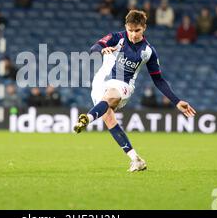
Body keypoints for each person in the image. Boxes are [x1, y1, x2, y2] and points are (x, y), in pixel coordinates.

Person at [73, 10, 196, 172]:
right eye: (130, 30)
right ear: (126, 27)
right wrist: (102, 50)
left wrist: (177, 101)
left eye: (137, 30)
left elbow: (158, 79)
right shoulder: (116, 37)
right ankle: (136, 159)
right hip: (99, 83)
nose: (133, 34)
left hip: (123, 85)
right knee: (109, 118)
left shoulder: (148, 51)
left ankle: (87, 118)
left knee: (110, 97)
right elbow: (94, 47)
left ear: (144, 28)